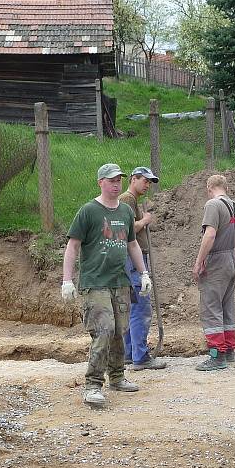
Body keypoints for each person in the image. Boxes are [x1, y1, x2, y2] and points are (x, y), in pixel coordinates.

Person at [61, 163, 152, 407]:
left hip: (119, 282)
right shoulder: (89, 211)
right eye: (111, 180)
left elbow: (132, 244)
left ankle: (117, 376)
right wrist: (67, 280)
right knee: (103, 330)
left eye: (118, 180)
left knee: (119, 331)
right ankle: (92, 385)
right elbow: (73, 246)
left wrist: (144, 274)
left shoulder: (124, 211)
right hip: (95, 282)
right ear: (100, 182)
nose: (116, 184)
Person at [192, 174, 235, 371]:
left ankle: (216, 355)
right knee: (227, 306)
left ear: (209, 188)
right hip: (231, 259)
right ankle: (229, 350)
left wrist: (199, 262)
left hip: (216, 261)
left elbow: (210, 234)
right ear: (226, 188)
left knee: (211, 307)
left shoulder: (213, 205)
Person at [119, 166, 166, 370]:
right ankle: (140, 357)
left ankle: (129, 353)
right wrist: (144, 221)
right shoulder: (127, 199)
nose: (147, 185)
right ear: (134, 179)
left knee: (133, 307)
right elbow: (127, 231)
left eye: (149, 182)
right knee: (141, 307)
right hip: (133, 260)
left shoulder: (130, 200)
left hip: (130, 259)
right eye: (145, 181)